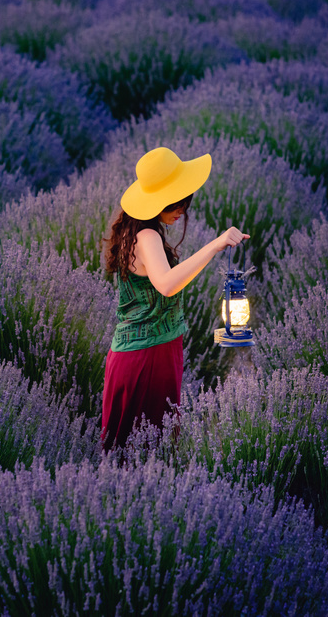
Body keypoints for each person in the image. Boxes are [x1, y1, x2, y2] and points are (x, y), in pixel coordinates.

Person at [99, 146, 249, 450]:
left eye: (184, 199)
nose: (181, 208)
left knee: (131, 455)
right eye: (174, 202)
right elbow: (167, 285)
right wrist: (215, 245)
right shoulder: (147, 236)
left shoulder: (133, 232)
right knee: (149, 453)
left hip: (137, 351)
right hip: (149, 355)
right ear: (155, 202)